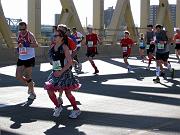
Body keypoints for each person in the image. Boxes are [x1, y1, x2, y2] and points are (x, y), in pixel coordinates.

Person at [44, 29, 81, 118]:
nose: (54, 37)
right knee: (49, 91)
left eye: (56, 36)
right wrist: (52, 62)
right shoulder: (52, 46)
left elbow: (69, 62)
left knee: (68, 93)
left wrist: (61, 71)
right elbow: (50, 57)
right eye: (54, 35)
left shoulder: (64, 47)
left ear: (61, 38)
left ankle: (76, 109)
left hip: (65, 73)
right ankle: (58, 106)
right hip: (55, 72)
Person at [16, 21, 38, 100]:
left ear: (26, 28)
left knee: (28, 76)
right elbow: (19, 43)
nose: (22, 31)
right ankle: (31, 84)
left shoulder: (30, 35)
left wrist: (27, 44)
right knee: (18, 76)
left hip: (30, 58)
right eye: (20, 29)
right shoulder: (18, 34)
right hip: (21, 57)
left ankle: (32, 93)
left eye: (24, 29)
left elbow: (36, 45)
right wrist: (18, 48)